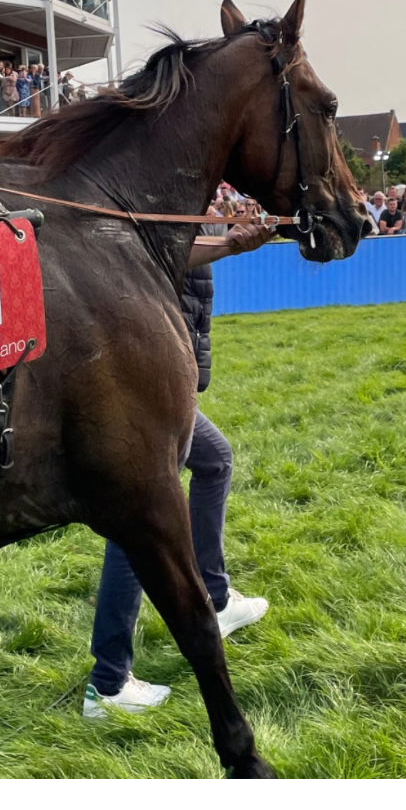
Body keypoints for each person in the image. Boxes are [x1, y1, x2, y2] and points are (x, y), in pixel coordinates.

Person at [84, 220, 272, 718]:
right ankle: (106, 684)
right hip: (142, 382)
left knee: (214, 461)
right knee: (136, 526)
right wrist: (232, 243)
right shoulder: (152, 192)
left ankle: (215, 596)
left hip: (157, 381)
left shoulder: (187, 193)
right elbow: (157, 254)